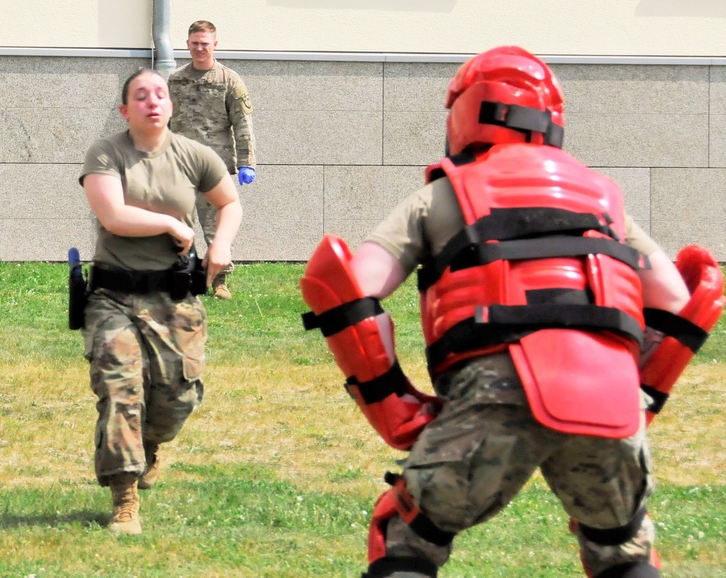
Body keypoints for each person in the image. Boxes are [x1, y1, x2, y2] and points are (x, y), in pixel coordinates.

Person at [301, 47, 718, 577]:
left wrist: (393, 404)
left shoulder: (443, 195)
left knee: (408, 533)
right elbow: (682, 304)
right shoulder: (605, 198)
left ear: (464, 112)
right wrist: (641, 398)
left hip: (497, 386)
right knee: (621, 545)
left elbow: (349, 286)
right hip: (608, 397)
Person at [79, 68, 242, 535]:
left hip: (175, 295)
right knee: (119, 390)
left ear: (170, 105)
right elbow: (112, 214)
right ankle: (124, 497)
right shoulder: (107, 153)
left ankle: (150, 446)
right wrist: (173, 225)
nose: (153, 101)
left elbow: (229, 203)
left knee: (177, 397)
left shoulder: (194, 155)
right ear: (124, 109)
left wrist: (222, 244)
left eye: (160, 94)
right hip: (114, 296)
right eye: (140, 95)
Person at [168, 20, 255, 300]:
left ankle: (220, 282)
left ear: (215, 44)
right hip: (179, 163)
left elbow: (242, 124)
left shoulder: (229, 81)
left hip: (212, 167)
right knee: (176, 224)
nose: (200, 48)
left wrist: (247, 163)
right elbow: (163, 122)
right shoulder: (176, 80)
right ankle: (179, 277)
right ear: (187, 44)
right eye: (195, 43)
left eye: (205, 43)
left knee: (214, 225)